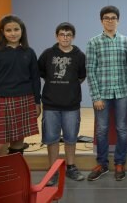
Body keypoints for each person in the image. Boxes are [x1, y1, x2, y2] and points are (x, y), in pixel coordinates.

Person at [0, 15, 41, 157]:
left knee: (18, 142)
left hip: (24, 100)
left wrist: (37, 102)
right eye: (8, 30)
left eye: (16, 29)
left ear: (22, 31)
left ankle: (13, 174)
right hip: (0, 102)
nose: (13, 33)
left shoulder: (29, 52)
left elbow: (35, 79)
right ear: (2, 32)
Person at [86, 5, 127, 181]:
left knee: (122, 129)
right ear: (101, 21)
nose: (110, 21)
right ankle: (102, 164)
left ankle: (120, 162)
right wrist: (96, 96)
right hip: (102, 94)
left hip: (122, 93)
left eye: (113, 18)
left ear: (118, 20)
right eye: (107, 18)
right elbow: (91, 70)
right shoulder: (93, 42)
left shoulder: (126, 41)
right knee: (102, 130)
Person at [38, 22, 87, 185]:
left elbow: (81, 76)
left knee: (71, 138)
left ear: (73, 37)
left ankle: (70, 167)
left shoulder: (79, 55)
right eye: (62, 34)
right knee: (51, 139)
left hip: (71, 105)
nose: (65, 37)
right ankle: (52, 170)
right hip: (51, 105)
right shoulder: (48, 54)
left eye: (68, 35)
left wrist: (69, 87)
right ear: (56, 36)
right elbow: (42, 73)